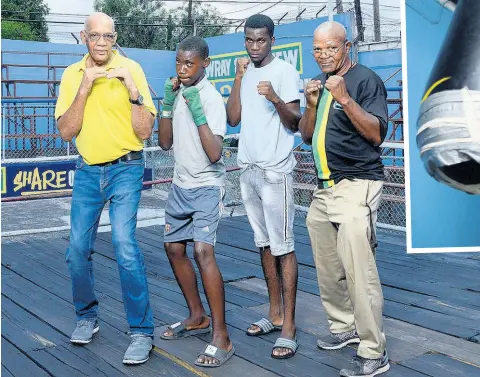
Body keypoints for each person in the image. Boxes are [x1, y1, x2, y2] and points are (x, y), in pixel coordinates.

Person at [55, 12, 156, 365]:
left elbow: (145, 133)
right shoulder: (71, 75)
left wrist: (131, 89)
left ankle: (142, 332)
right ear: (84, 37)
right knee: (76, 250)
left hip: (127, 167)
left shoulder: (133, 68)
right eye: (94, 36)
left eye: (107, 36)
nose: (101, 43)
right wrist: (85, 86)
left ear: (115, 37)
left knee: (124, 245)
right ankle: (86, 317)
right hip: (87, 171)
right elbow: (66, 132)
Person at [299, 21, 390, 377]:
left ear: (347, 46)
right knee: (328, 266)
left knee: (360, 271)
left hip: (356, 184)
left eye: (331, 48)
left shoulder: (365, 80)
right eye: (318, 49)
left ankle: (374, 350)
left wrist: (344, 99)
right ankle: (344, 327)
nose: (323, 56)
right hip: (324, 188)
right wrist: (310, 105)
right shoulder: (320, 82)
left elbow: (377, 134)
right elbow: (307, 137)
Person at [226, 14, 302, 359]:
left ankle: (289, 325)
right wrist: (239, 78)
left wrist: (274, 97)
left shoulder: (285, 72)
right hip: (249, 169)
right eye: (249, 40)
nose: (254, 46)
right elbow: (233, 118)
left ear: (272, 40)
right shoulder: (244, 71)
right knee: (264, 245)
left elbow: (296, 122)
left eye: (261, 40)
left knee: (283, 246)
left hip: (276, 171)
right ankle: (274, 312)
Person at [158, 36, 235, 368]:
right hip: (180, 185)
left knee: (203, 251)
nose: (182, 69)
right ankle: (196, 316)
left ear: (205, 62)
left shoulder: (211, 98)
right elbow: (164, 143)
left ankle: (222, 336)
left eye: (189, 63)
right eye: (178, 62)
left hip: (206, 185)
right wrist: (166, 103)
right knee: (174, 249)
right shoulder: (178, 91)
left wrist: (197, 110)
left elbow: (216, 153)